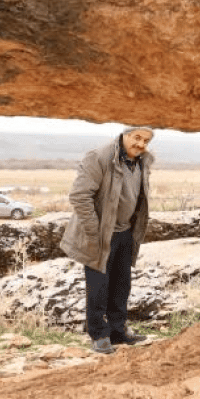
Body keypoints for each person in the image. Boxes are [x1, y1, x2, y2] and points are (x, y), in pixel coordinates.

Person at [59, 126, 155, 354]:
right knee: (98, 287)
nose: (141, 144)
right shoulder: (99, 157)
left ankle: (118, 331)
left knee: (121, 285)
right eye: (137, 137)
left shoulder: (142, 161)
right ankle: (99, 335)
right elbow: (80, 196)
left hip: (125, 233)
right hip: (99, 235)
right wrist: (96, 231)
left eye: (146, 141)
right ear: (124, 134)